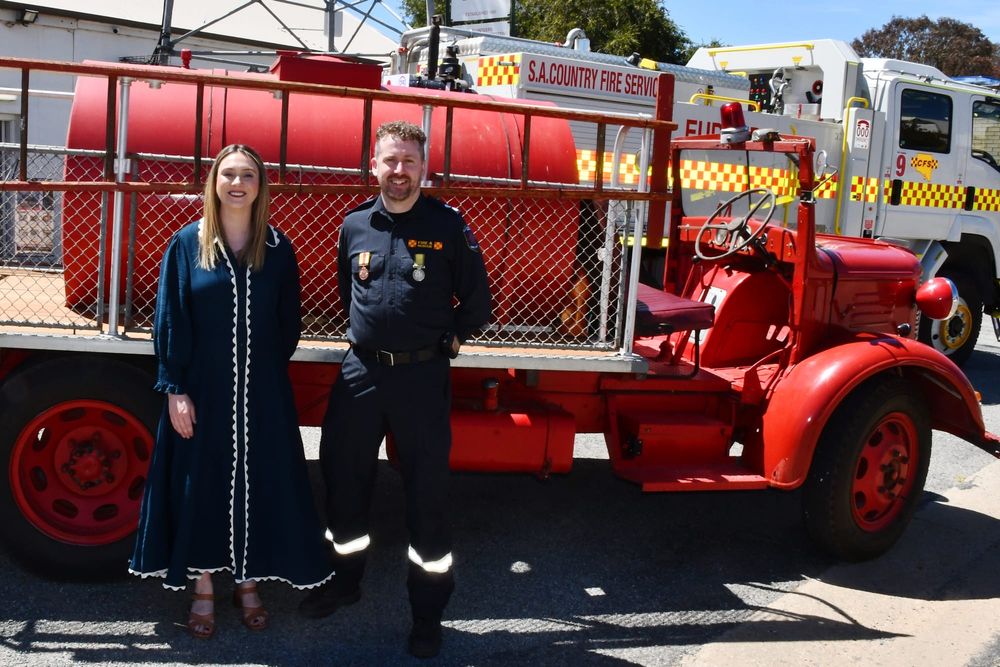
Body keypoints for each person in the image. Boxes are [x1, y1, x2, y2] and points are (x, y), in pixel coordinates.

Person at [299, 120, 492, 658]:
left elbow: (477, 303)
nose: (399, 171)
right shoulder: (355, 224)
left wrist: (448, 341)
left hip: (422, 377)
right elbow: (346, 292)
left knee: (427, 495)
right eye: (390, 160)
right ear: (374, 164)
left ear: (423, 168)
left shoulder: (448, 226)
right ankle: (345, 583)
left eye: (409, 161)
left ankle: (427, 617)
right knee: (342, 478)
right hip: (361, 374)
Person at [130, 143, 334, 639]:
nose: (237, 183)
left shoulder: (278, 249)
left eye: (248, 175)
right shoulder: (186, 244)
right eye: (229, 175)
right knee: (202, 483)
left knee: (261, 483)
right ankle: (202, 586)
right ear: (214, 183)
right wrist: (176, 387)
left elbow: (289, 324)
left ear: (260, 185)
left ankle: (247, 582)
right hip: (202, 390)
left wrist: (258, 370)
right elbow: (170, 319)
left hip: (261, 391)